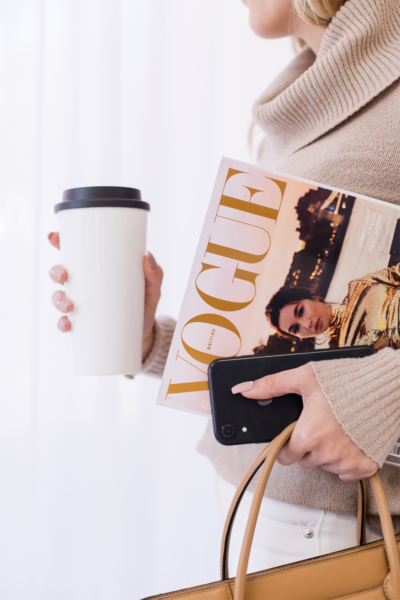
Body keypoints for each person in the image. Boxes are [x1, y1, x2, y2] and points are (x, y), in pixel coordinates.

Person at [48, 0, 400, 575]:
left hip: (345, 521)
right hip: (258, 501)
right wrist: (153, 344)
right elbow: (295, 367)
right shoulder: (301, 96)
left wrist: (378, 395)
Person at [265, 262, 400, 350]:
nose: (307, 324)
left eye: (301, 312)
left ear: (311, 297)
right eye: (296, 329)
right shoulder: (342, 356)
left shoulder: (360, 286)